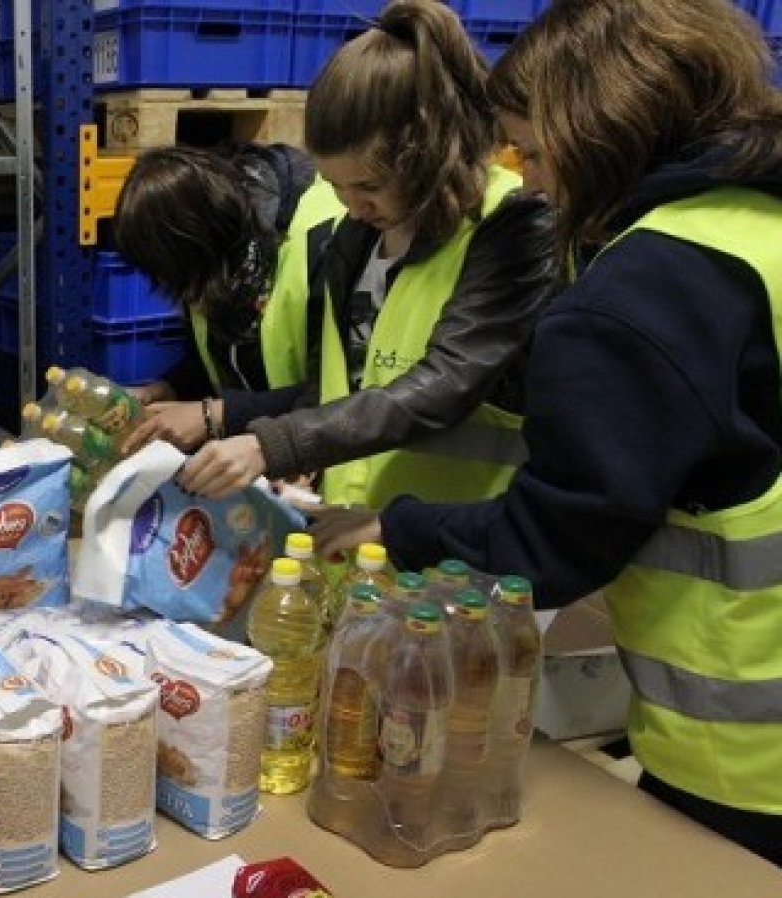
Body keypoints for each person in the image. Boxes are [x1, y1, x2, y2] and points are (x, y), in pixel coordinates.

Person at [313, 0, 782, 867]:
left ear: (597, 126)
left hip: (747, 753)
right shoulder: (758, 229)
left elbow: (559, 535)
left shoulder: (641, 291)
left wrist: (400, 529)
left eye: (530, 150)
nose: (527, 181)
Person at [172, 0, 555, 509]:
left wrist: (277, 444)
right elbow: (333, 381)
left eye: (370, 185)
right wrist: (301, 462)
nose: (353, 206)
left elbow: (446, 383)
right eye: (336, 186)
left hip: (457, 540)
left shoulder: (511, 225)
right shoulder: (354, 237)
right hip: (358, 531)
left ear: (431, 154)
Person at [111, 141, 346, 450]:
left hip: (326, 458)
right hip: (265, 456)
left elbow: (341, 394)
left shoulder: (326, 241)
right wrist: (171, 388)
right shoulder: (220, 260)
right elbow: (227, 358)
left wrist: (217, 415)